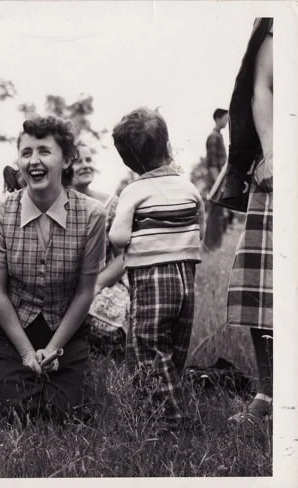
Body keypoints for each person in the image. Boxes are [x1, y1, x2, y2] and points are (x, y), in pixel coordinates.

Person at [0, 116, 107, 423]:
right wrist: (26, 353)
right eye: (26, 153)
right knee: (19, 414)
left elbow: (85, 292)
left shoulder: (92, 214)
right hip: (11, 329)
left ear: (66, 160)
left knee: (66, 414)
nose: (33, 161)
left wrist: (53, 349)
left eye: (44, 151)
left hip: (64, 328)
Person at [109, 108, 205, 433]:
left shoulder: (133, 191)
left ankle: (169, 419)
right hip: (186, 276)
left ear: (128, 162)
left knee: (149, 345)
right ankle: (159, 403)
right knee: (174, 344)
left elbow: (119, 237)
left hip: (152, 277)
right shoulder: (188, 186)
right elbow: (199, 224)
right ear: (167, 148)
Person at [225, 18, 273, 424]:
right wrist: (271, 154)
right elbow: (263, 86)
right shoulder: (277, 22)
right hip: (280, 169)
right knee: (264, 284)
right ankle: (269, 393)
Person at [70, 142, 129, 354]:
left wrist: (97, 285)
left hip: (105, 281)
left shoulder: (111, 204)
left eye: (88, 160)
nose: (86, 165)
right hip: (67, 283)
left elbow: (124, 257)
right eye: (78, 161)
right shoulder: (56, 204)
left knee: (105, 315)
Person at [203, 108, 229, 250]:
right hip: (215, 182)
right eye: (225, 118)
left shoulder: (219, 136)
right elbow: (212, 164)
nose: (227, 121)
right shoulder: (213, 137)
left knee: (218, 214)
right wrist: (218, 185)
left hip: (218, 181)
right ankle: (211, 245)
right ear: (218, 119)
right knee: (215, 214)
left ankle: (214, 245)